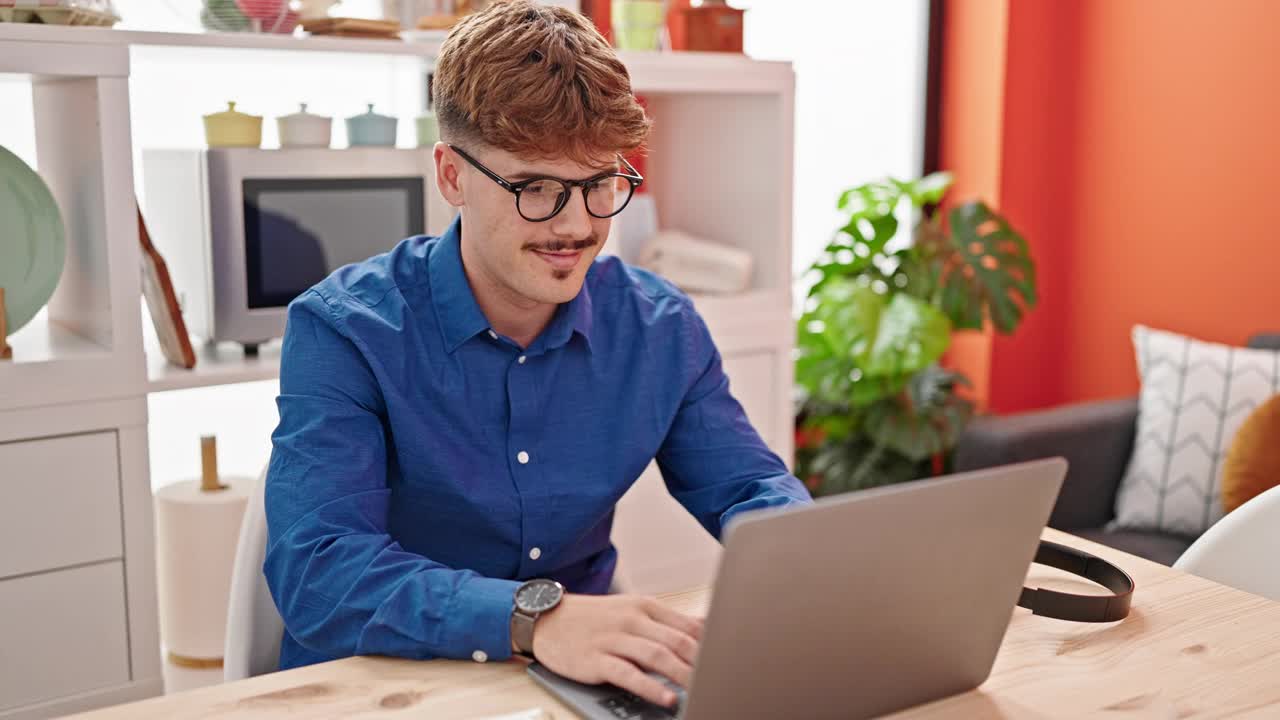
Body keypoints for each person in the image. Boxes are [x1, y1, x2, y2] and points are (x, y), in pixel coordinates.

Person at [263, 0, 812, 709]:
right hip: (381, 690)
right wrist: (534, 617)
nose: (576, 225)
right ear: (453, 175)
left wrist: (806, 565)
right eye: (536, 190)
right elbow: (320, 573)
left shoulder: (659, 327)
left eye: (599, 184)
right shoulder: (344, 332)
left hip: (569, 691)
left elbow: (748, 489)